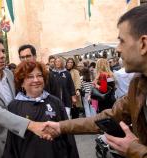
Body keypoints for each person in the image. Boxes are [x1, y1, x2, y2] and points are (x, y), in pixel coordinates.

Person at [44, 5, 147, 158]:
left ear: (143, 44)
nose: (117, 49)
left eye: (122, 41)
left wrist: (136, 151)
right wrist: (59, 126)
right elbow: (106, 118)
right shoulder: (138, 85)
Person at [0, 36, 52, 158]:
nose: (2, 55)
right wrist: (30, 125)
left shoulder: (10, 74)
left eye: (3, 51)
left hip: (10, 142)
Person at [3, 61, 79, 158]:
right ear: (22, 83)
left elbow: (68, 136)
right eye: (30, 76)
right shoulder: (13, 107)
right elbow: (11, 144)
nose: (36, 80)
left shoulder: (55, 102)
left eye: (39, 75)